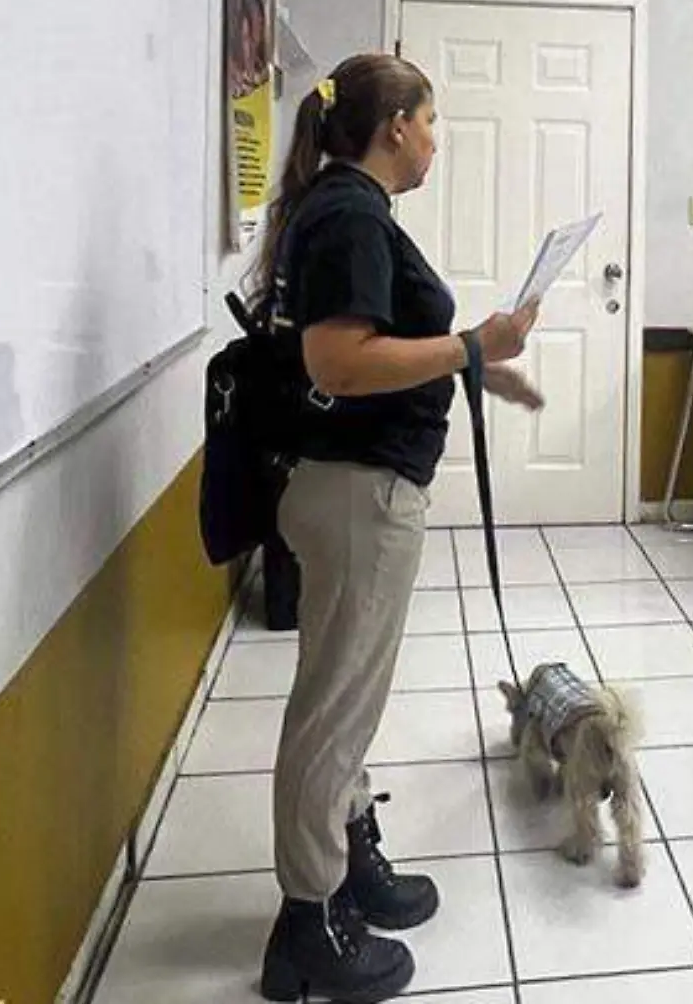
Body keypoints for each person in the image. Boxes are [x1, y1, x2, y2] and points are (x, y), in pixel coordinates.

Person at [254, 54, 544, 1003]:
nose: (434, 139)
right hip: (355, 493)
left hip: (354, 490)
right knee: (333, 706)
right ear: (393, 128)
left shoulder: (346, 211)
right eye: (429, 120)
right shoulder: (347, 217)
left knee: (348, 697)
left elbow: (366, 349)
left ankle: (347, 859)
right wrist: (473, 346)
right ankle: (309, 923)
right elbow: (340, 362)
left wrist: (477, 364)